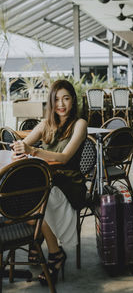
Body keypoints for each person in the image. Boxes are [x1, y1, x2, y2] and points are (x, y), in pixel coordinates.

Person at [12, 79, 88, 286]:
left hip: (70, 184)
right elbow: (23, 144)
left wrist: (33, 151)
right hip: (48, 181)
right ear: (51, 102)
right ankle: (45, 245)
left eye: (66, 98)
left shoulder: (79, 124)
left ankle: (52, 253)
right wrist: (19, 147)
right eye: (56, 99)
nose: (61, 104)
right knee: (22, 199)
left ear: (73, 101)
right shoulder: (46, 123)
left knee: (36, 201)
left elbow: (63, 157)